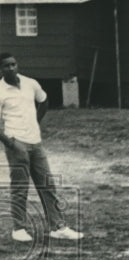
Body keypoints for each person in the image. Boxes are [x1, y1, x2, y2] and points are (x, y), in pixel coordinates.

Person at [0, 53, 82, 242]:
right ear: (1, 70)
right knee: (20, 186)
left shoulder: (31, 83)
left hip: (36, 143)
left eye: (13, 64)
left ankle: (57, 227)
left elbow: (44, 100)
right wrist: (11, 144)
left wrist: (35, 122)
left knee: (47, 184)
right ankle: (19, 228)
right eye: (6, 66)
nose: (11, 68)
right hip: (15, 143)